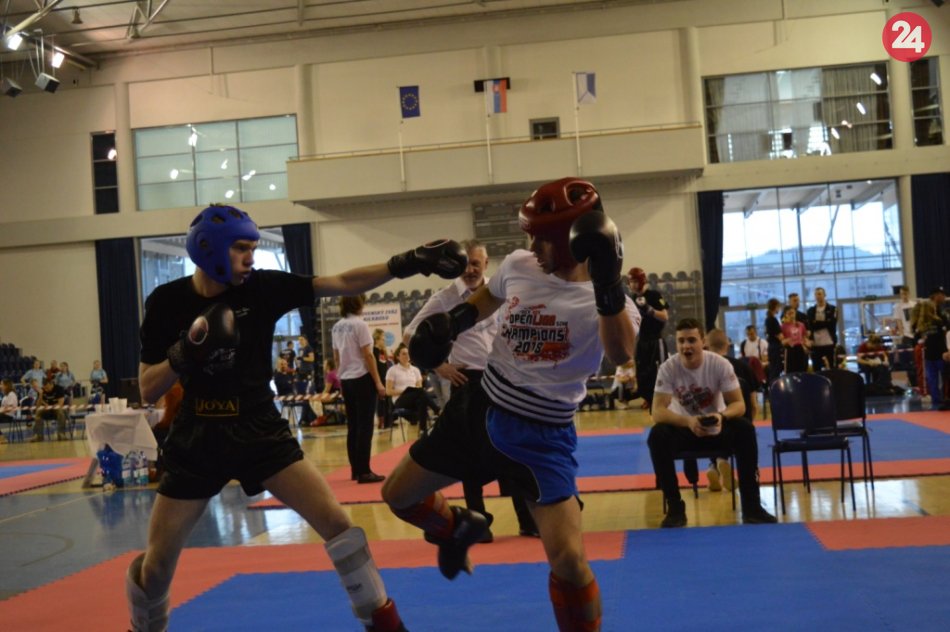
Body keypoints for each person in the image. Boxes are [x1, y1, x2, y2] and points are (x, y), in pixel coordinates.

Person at [130, 203, 465, 632]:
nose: (251, 257)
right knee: (157, 566)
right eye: (241, 248)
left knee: (340, 527)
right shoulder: (167, 302)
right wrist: (185, 353)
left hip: (259, 428)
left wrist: (406, 263)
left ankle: (386, 625)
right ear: (210, 248)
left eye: (253, 248)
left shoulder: (262, 287)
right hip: (198, 435)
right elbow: (147, 388)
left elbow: (341, 282)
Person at [382, 177, 638, 632]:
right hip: (479, 407)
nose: (531, 247)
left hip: (541, 435)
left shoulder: (612, 303)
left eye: (542, 238)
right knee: (397, 495)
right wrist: (452, 324)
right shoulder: (521, 264)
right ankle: (457, 528)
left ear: (573, 241)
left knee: (570, 562)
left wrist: (608, 284)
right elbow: (487, 300)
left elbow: (620, 354)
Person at [403, 239, 538, 541]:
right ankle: (479, 522)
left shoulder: (499, 292)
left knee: (512, 449)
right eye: (465, 264)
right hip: (467, 381)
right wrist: (440, 366)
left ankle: (527, 520)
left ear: (486, 264)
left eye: (476, 264)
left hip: (503, 378)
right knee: (471, 454)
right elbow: (410, 333)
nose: (470, 270)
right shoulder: (445, 297)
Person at [647, 319, 777, 528]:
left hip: (716, 427)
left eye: (691, 340)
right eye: (681, 341)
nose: (686, 346)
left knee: (745, 429)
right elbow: (657, 411)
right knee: (657, 436)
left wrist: (721, 417)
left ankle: (752, 506)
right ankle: (675, 508)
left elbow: (739, 405)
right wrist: (688, 421)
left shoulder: (719, 364)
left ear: (703, 341)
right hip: (685, 429)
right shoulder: (668, 368)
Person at [333, 294, 389, 484]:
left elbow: (336, 357)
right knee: (365, 426)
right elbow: (368, 355)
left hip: (346, 379)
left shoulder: (337, 326)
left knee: (353, 425)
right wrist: (378, 382)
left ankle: (356, 470)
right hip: (362, 378)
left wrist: (341, 379)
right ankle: (364, 471)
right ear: (359, 304)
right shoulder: (360, 325)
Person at [627, 266, 668, 411]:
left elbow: (665, 317)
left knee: (659, 371)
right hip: (642, 340)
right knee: (642, 372)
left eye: (634, 281)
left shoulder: (654, 295)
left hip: (656, 340)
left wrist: (650, 311)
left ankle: (661, 400)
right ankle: (648, 398)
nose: (632, 285)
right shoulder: (632, 299)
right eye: (630, 282)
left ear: (641, 281)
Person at [386, 343, 440, 432]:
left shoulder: (415, 370)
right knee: (420, 393)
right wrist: (405, 391)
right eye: (404, 354)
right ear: (398, 357)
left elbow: (419, 387)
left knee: (421, 400)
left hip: (415, 398)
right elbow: (388, 391)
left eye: (408, 353)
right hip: (400, 400)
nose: (407, 356)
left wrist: (412, 391)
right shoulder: (392, 370)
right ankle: (437, 410)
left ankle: (423, 430)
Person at [914, 298, 948, 410]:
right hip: (940, 353)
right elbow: (944, 335)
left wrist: (922, 340)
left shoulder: (921, 325)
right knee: (944, 377)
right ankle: (945, 397)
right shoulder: (938, 321)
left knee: (932, 378)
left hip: (929, 354)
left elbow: (916, 338)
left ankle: (936, 399)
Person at [806, 287, 838, 371]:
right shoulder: (810, 311)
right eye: (816, 294)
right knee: (816, 367)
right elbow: (810, 325)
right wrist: (824, 322)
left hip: (829, 342)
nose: (818, 296)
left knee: (832, 366)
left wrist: (816, 323)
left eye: (820, 294)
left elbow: (832, 324)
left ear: (824, 295)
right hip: (816, 343)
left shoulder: (832, 309)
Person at [892, 285, 918, 386]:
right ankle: (912, 383)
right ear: (900, 294)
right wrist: (902, 334)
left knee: (917, 358)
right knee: (908, 360)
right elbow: (898, 321)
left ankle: (918, 382)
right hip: (907, 335)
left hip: (915, 334)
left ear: (908, 293)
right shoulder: (898, 307)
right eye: (902, 294)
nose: (904, 295)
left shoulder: (914, 304)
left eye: (905, 293)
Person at [372, 329, 393, 429]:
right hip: (379, 380)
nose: (384, 341)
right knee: (380, 401)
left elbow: (385, 365)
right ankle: (381, 422)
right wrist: (378, 381)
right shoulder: (373, 351)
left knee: (387, 401)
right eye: (382, 339)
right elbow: (375, 367)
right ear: (377, 339)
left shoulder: (382, 352)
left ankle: (388, 421)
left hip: (385, 379)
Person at [780, 305, 809, 373]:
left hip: (800, 349)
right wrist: (787, 341)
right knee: (791, 370)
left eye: (792, 313)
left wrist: (805, 345)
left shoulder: (801, 325)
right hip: (790, 350)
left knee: (802, 370)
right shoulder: (783, 326)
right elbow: (781, 341)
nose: (791, 315)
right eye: (789, 313)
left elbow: (804, 337)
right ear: (785, 315)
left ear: (795, 313)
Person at [764, 298, 784, 383]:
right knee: (775, 369)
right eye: (778, 306)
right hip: (775, 347)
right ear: (775, 306)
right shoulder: (772, 319)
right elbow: (779, 335)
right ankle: (774, 385)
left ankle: (772, 385)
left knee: (774, 368)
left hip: (772, 346)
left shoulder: (768, 319)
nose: (779, 309)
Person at [0, 379, 17, 444]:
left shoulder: (11, 394)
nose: (0, 386)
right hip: (4, 414)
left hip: (9, 416)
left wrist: (2, 411)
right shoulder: (6, 396)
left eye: (1, 384)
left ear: (6, 386)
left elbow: (10, 407)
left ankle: (2, 437)